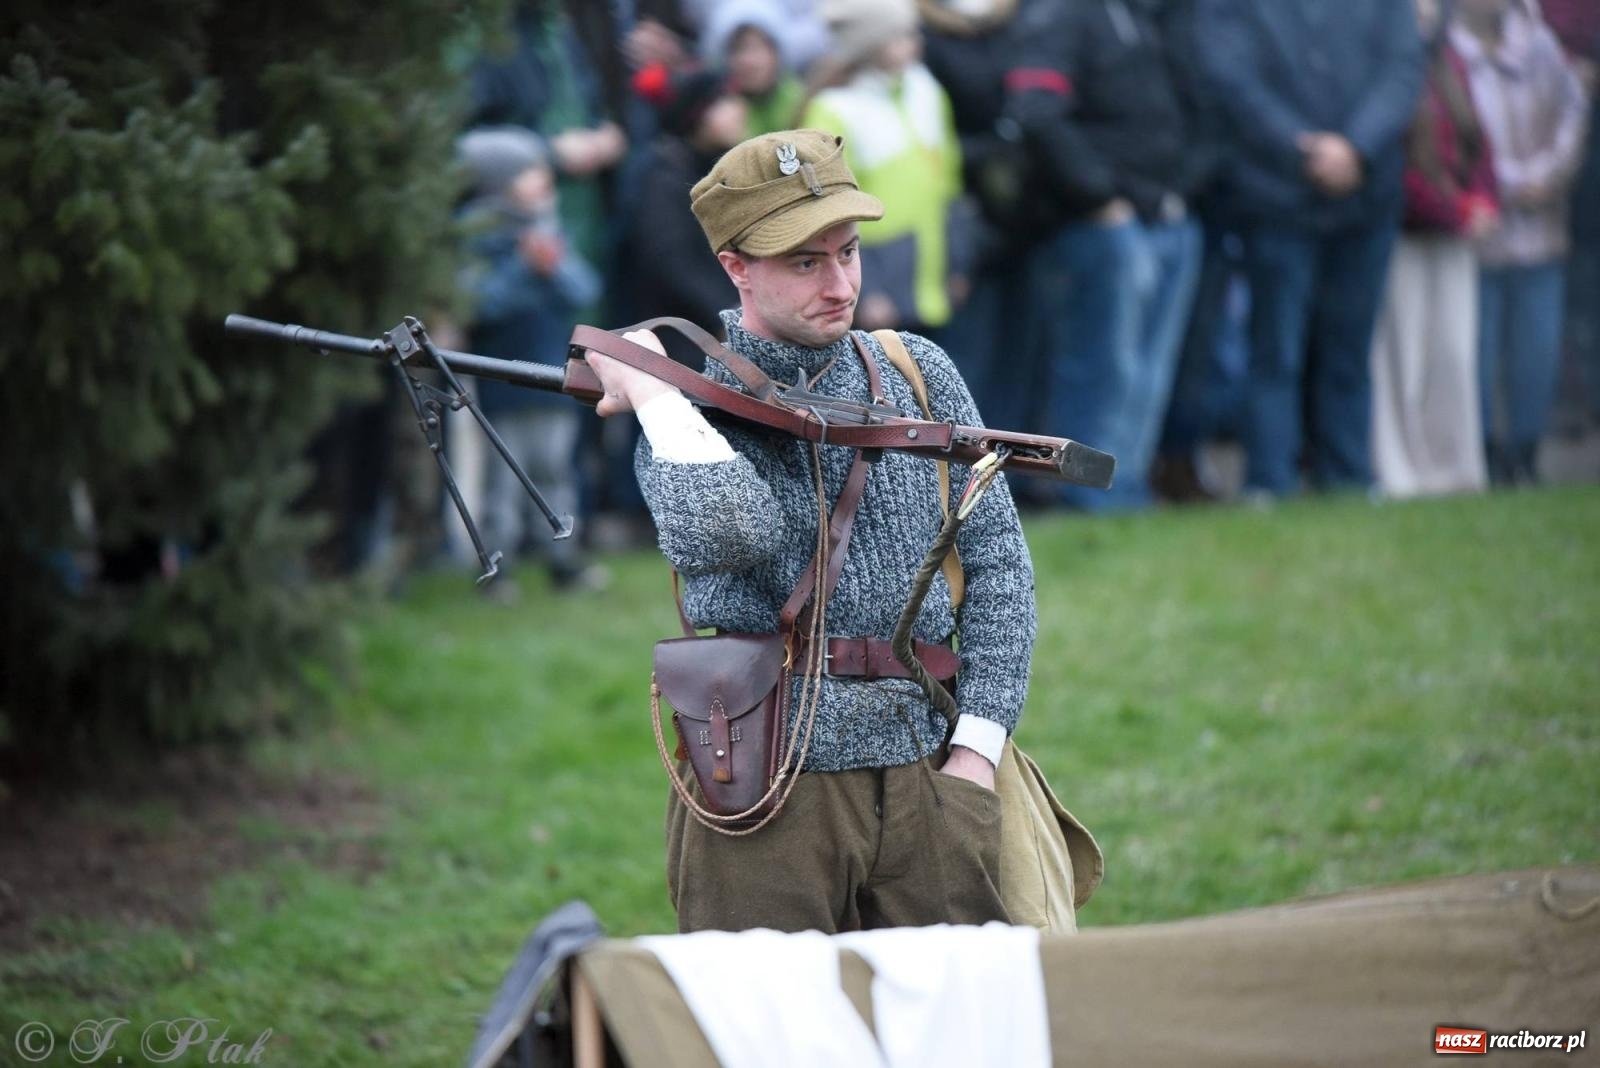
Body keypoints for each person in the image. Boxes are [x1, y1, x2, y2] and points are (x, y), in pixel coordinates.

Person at [584, 129, 1036, 933]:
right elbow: (727, 534)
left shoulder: (916, 370)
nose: (840, 283)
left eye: (850, 252)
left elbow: (999, 565)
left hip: (929, 766)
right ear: (736, 267)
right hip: (758, 779)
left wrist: (976, 750)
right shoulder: (688, 398)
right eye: (806, 262)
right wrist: (655, 396)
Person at [1194, 0, 1425, 500]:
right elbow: (1230, 77)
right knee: (1276, 349)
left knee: (1349, 348)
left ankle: (1348, 475)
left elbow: (1403, 67)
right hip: (1275, 195)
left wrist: (1357, 148)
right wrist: (1305, 149)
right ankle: (1269, 480)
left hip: (1367, 197)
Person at [456, 127, 606, 592]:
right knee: (503, 479)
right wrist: (524, 268)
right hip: (502, 384)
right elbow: (478, 304)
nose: (544, 179)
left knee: (556, 471)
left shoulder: (549, 228)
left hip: (555, 376)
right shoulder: (478, 237)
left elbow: (585, 290)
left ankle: (563, 560)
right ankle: (497, 568)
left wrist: (552, 265)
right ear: (498, 183)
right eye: (529, 172)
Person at [1453, 0, 1589, 484]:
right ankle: (1484, 453)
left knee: (1536, 347)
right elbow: (1449, 134)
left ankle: (1526, 453)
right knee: (1478, 348)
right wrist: (1503, 186)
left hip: (1543, 226)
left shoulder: (1543, 45)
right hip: (1477, 228)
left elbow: (1573, 115)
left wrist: (1544, 177)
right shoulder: (1446, 52)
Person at [1369, 0, 1499, 499]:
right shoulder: (1381, 61)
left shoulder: (1450, 61)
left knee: (1452, 357)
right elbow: (1392, 159)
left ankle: (1455, 470)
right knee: (1403, 361)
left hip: (1455, 238)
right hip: (1404, 236)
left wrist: (1484, 200)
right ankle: (1400, 474)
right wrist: (1456, 211)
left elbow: (1479, 143)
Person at [799, 0, 967, 335]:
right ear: (869, 45)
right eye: (900, 35)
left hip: (934, 270)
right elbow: (829, 209)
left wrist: (959, 261)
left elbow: (949, 182)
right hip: (882, 276)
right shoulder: (833, 110)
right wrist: (866, 289)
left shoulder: (925, 89)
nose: (914, 41)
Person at [627, 63, 748, 359]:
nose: (738, 110)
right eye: (724, 102)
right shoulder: (665, 178)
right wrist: (728, 317)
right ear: (697, 116)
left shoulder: (715, 167)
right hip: (683, 339)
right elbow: (674, 263)